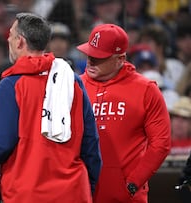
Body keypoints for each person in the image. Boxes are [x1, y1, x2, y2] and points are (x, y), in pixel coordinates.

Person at [0, 12, 102, 202]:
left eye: (11, 34)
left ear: (19, 42)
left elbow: (0, 144)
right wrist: (87, 187)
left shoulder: (11, 85)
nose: (7, 38)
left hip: (26, 193)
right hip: (73, 192)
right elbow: (90, 143)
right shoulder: (72, 80)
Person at [77, 23, 171, 202]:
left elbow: (161, 143)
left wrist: (135, 181)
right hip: (83, 193)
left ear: (120, 59)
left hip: (126, 196)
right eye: (90, 54)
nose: (91, 60)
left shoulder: (145, 89)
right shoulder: (75, 87)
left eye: (99, 57)